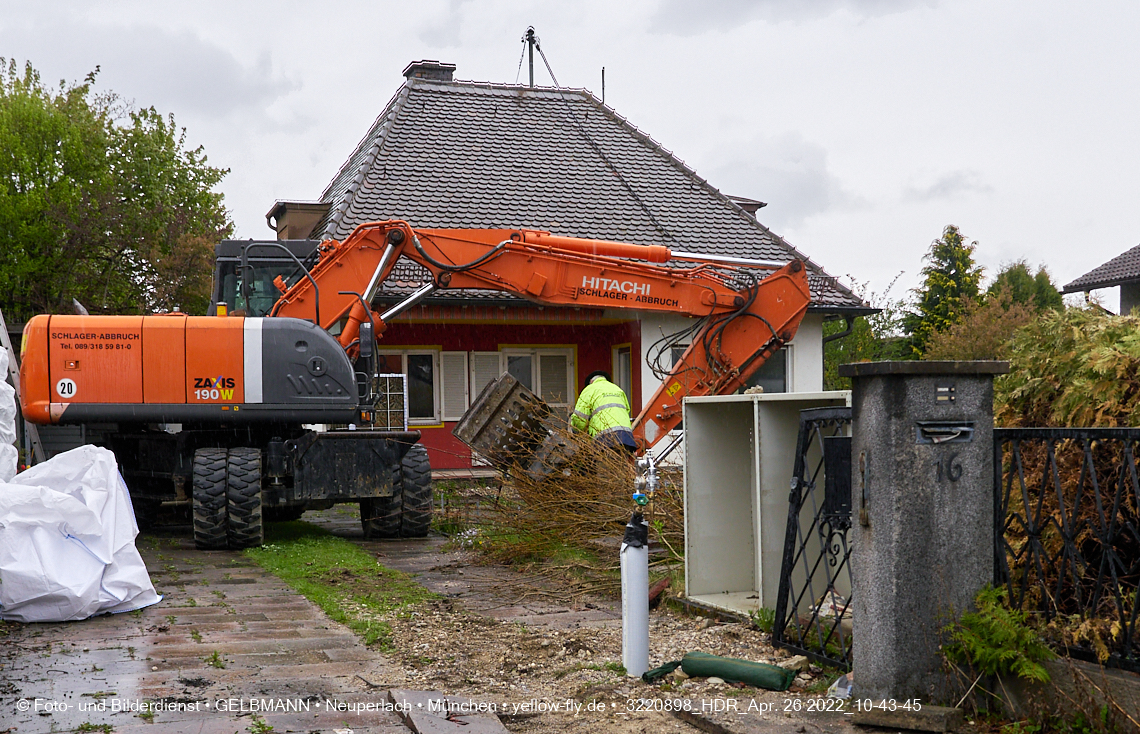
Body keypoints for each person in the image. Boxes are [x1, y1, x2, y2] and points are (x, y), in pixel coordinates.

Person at [570, 370, 637, 454]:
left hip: (605, 438)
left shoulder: (589, 389)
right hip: (626, 437)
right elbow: (626, 411)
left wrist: (576, 432)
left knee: (603, 465)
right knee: (620, 465)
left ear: (591, 382)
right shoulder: (618, 389)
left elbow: (579, 417)